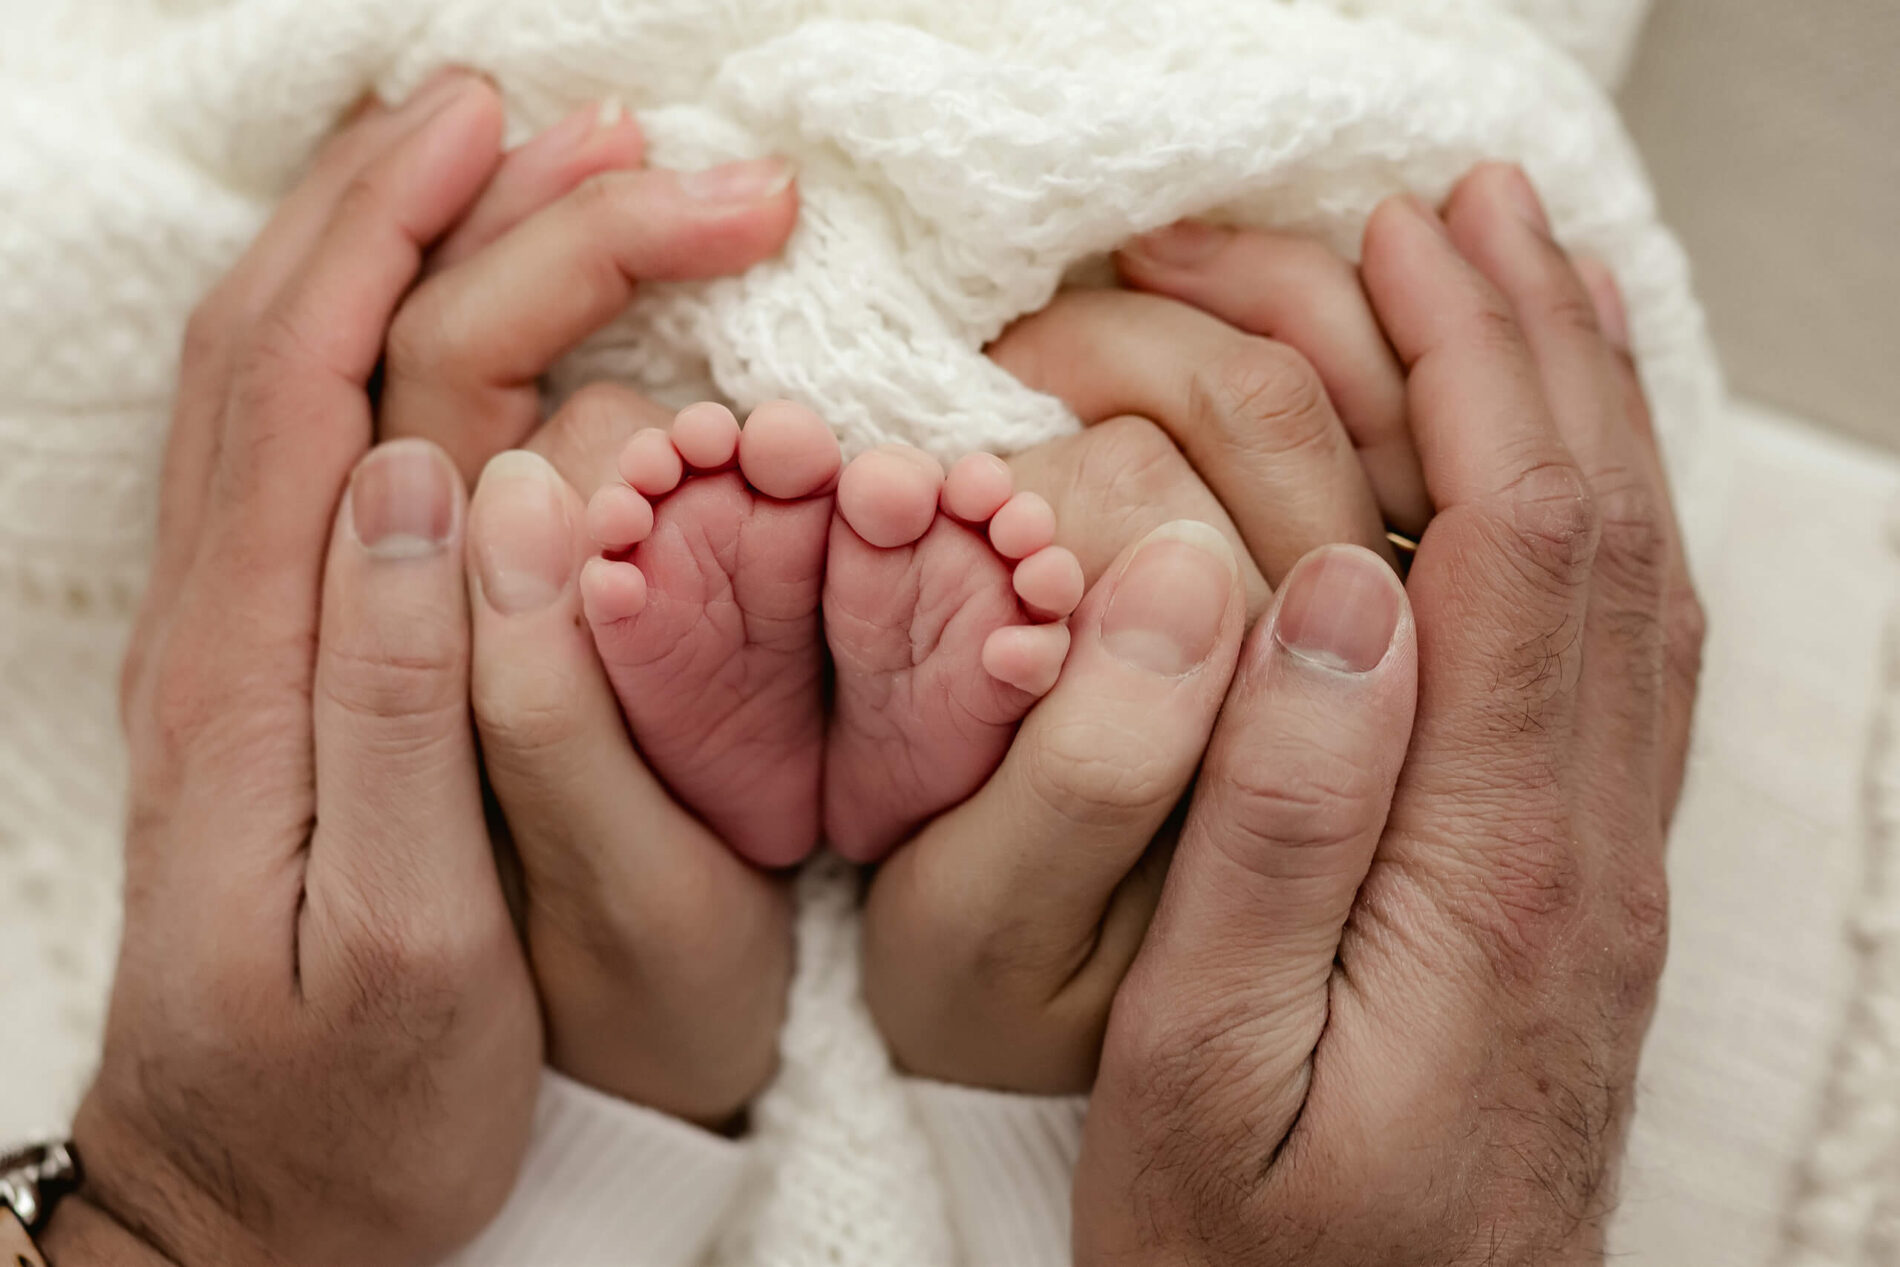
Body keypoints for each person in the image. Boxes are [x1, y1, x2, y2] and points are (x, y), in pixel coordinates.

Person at [28, 72, 1701, 1265]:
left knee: (503, 547)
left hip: (460, 1139)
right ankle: (1051, 1031)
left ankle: (652, 1042)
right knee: (1275, 584)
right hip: (1140, 1158)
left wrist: (198, 1218)